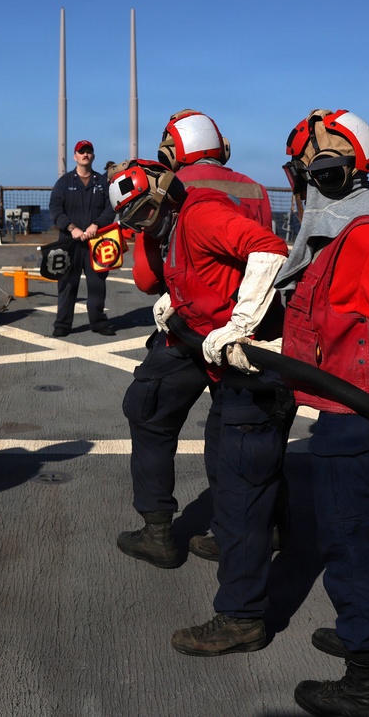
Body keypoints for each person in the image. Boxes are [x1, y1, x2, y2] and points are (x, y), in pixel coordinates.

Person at [229, 109, 369, 716]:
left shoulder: (362, 238)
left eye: (299, 171)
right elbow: (335, 327)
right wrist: (264, 350)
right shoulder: (345, 233)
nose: (297, 183)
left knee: (349, 545)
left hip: (355, 421)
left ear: (324, 171)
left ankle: (367, 684)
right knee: (359, 539)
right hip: (352, 409)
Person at [108, 159, 293, 657]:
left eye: (148, 212)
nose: (146, 224)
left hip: (253, 365)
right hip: (222, 364)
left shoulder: (201, 214)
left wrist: (242, 323)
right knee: (228, 469)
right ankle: (240, 539)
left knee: (241, 483)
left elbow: (271, 250)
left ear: (168, 191)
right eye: (135, 220)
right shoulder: (171, 224)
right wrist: (178, 307)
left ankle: (242, 617)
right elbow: (206, 277)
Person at [118, 110, 278, 569]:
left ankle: (158, 533)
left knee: (149, 414)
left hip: (192, 329)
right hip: (250, 334)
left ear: (173, 149)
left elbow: (149, 280)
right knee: (241, 433)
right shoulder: (255, 189)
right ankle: (248, 531)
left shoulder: (169, 191)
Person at [48, 139, 116, 337]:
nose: (85, 155)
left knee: (97, 284)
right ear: (75, 156)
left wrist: (97, 225)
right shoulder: (64, 183)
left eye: (88, 151)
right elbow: (55, 209)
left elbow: (110, 207)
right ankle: (62, 324)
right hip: (70, 242)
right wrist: (71, 228)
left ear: (93, 156)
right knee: (67, 284)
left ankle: (98, 322)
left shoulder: (102, 182)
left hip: (97, 242)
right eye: (81, 152)